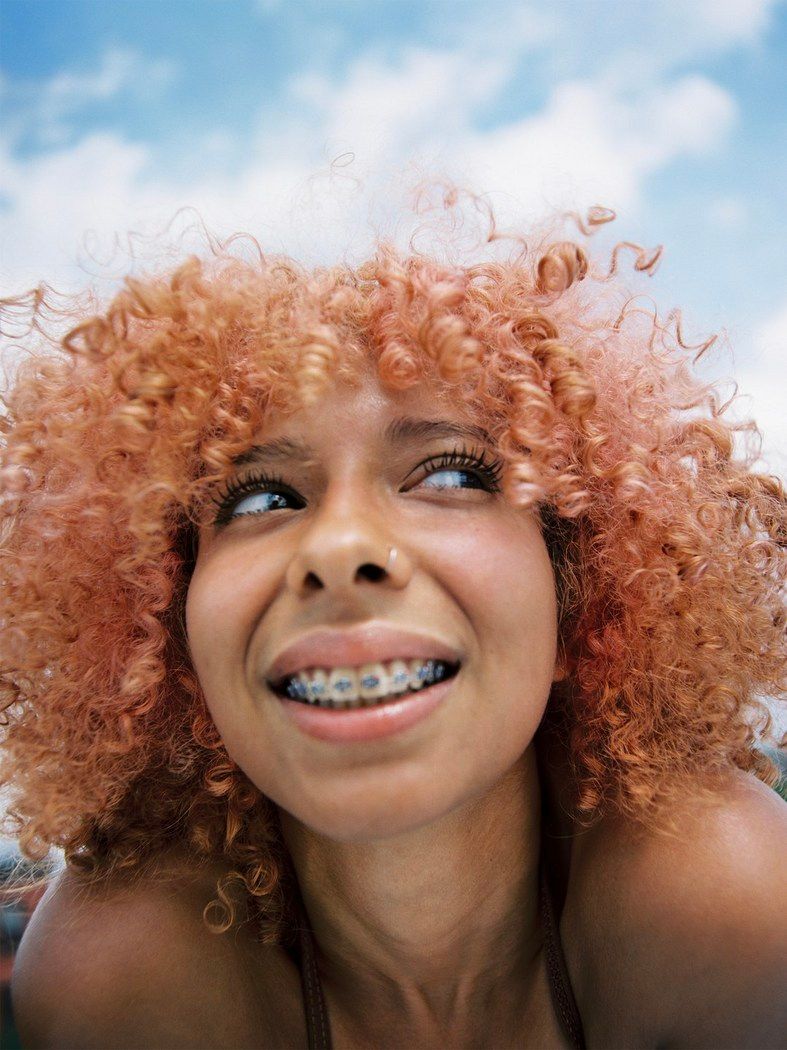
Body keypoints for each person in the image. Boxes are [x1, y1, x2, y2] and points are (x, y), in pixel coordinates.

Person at [2, 200, 786, 1049]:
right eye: (260, 498)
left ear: (577, 601)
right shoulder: (120, 984)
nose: (341, 548)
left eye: (449, 477)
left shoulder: (732, 905)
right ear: (175, 643)